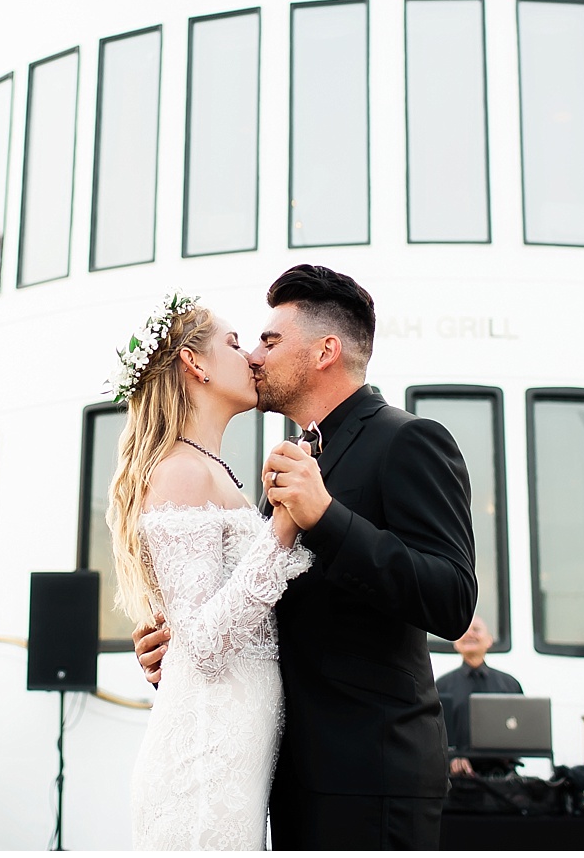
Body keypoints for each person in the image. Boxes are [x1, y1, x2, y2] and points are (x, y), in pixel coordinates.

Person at [134, 264, 478, 849]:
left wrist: (328, 519)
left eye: (270, 341)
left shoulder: (408, 441)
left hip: (372, 777)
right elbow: (271, 599)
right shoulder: (286, 459)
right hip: (282, 780)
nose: (256, 357)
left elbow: (451, 598)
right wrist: (186, 650)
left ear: (324, 351)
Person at [107, 291, 315, 849]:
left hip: (235, 756)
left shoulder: (211, 471)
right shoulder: (181, 472)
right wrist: (283, 531)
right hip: (202, 764)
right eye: (233, 342)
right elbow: (201, 640)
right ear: (194, 363)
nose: (250, 356)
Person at [435, 615, 524, 778]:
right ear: (455, 643)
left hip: (500, 777)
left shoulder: (510, 684)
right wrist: (452, 759)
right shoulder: (441, 686)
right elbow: (434, 734)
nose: (470, 634)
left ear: (489, 640)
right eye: (464, 630)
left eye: (476, 629)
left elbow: (520, 732)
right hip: (456, 780)